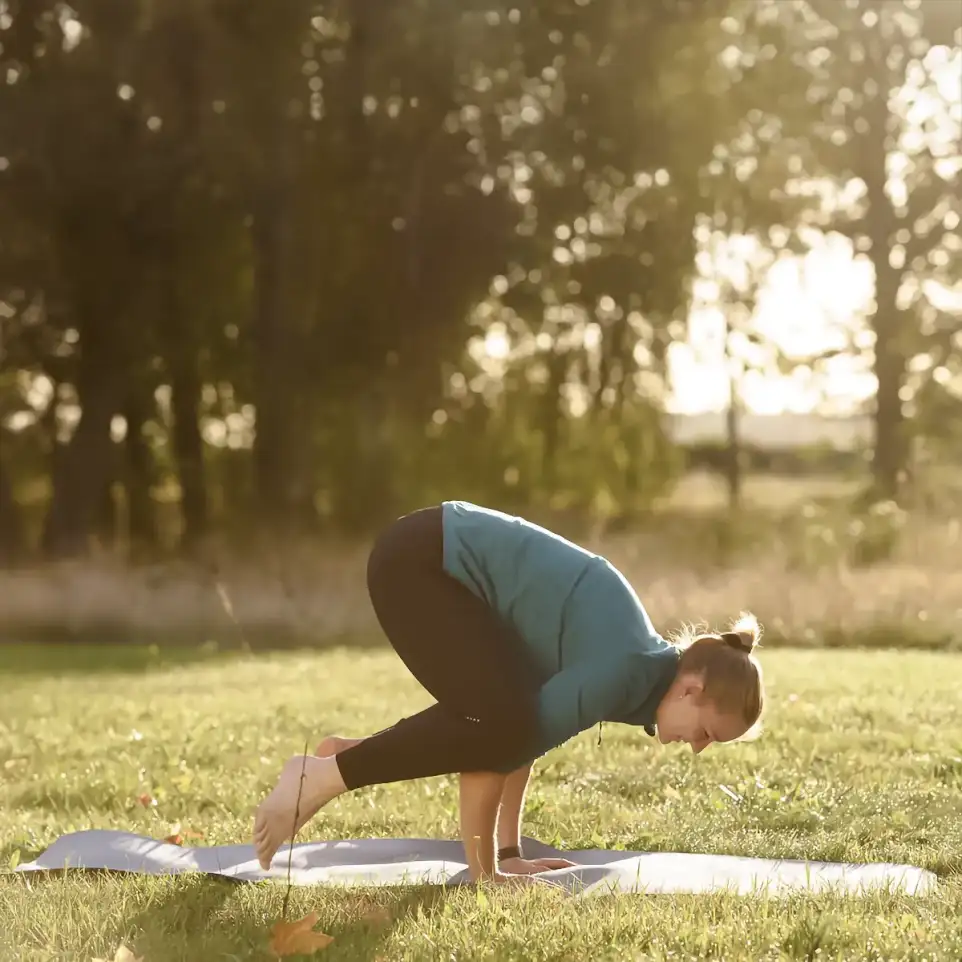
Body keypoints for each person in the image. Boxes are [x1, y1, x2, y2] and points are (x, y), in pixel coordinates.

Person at [252, 501, 765, 883]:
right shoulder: (625, 669)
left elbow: (525, 738)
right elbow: (498, 748)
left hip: (431, 556)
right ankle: (324, 776)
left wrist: (509, 853)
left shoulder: (639, 673)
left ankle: (337, 761)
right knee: (494, 725)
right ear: (690, 689)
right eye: (706, 733)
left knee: (504, 718)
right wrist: (486, 876)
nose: (697, 747)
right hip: (421, 562)